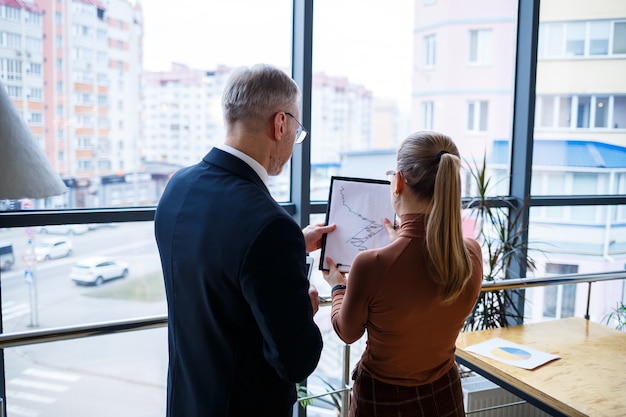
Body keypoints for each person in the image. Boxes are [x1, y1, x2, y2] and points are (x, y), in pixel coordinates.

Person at [155, 63, 335, 417]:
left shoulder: (177, 187)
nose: (294, 143)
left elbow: (220, 263)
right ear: (280, 123)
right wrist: (304, 309)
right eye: (296, 130)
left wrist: (292, 246)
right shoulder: (269, 225)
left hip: (186, 402)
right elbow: (296, 361)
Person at [323, 131, 483, 417]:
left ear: (398, 181)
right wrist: (400, 243)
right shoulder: (471, 253)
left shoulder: (371, 264)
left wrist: (338, 288)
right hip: (444, 393)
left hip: (383, 399)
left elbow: (347, 332)